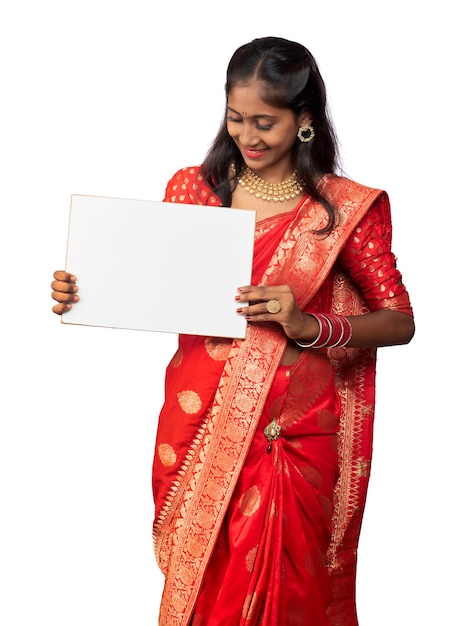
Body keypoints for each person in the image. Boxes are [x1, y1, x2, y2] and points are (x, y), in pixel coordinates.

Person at [51, 36, 415, 626]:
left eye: (265, 122)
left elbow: (399, 322)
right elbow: (150, 285)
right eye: (236, 118)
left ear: (304, 121)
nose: (248, 136)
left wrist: (309, 324)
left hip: (289, 443)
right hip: (199, 428)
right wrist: (83, 286)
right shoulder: (195, 191)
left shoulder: (342, 210)